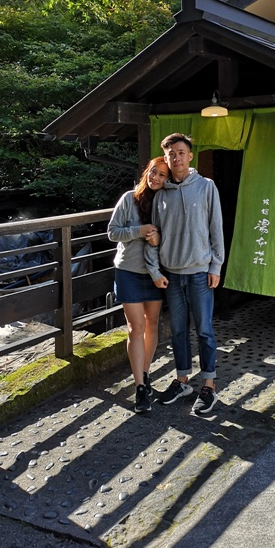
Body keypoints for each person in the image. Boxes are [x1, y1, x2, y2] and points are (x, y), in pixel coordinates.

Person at [145, 132, 224, 415]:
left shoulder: (206, 187)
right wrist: (154, 269)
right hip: (172, 274)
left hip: (200, 272)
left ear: (190, 156)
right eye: (171, 154)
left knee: (204, 331)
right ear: (165, 158)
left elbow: (217, 228)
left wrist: (216, 266)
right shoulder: (160, 195)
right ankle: (182, 381)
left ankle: (209, 386)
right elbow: (152, 235)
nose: (176, 157)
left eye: (180, 152)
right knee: (178, 330)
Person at [107, 156, 170, 413]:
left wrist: (158, 239)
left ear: (168, 180)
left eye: (162, 176)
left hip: (155, 273)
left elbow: (173, 236)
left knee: (153, 324)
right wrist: (139, 230)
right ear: (147, 171)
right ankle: (140, 386)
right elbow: (112, 232)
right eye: (153, 172)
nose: (155, 178)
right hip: (128, 271)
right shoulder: (129, 198)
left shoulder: (167, 202)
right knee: (136, 326)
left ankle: (144, 373)